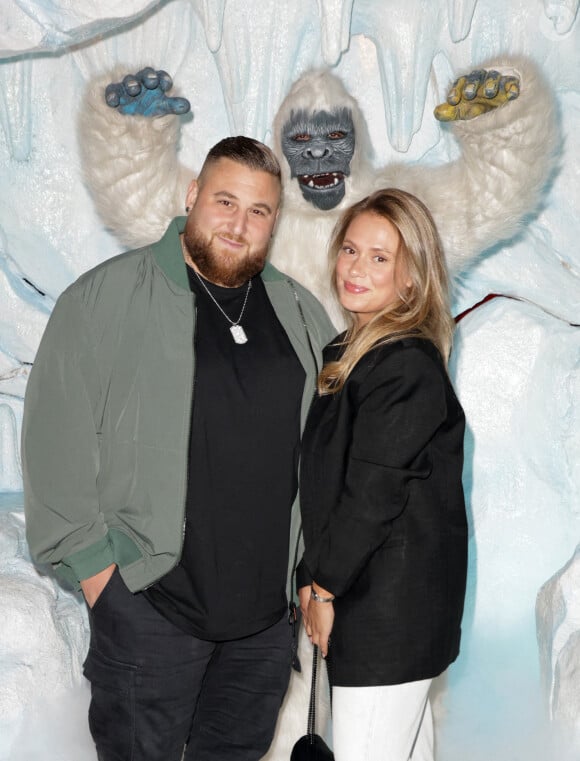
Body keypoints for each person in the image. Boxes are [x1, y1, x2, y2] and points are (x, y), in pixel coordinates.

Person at [22, 136, 335, 761]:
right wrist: (101, 582)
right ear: (192, 197)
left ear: (275, 220)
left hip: (262, 628)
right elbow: (54, 443)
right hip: (150, 610)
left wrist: (311, 578)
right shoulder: (104, 299)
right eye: (225, 201)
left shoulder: (299, 313)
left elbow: (327, 455)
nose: (237, 224)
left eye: (258, 211)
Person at [298, 188, 468, 761]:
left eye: (379, 257)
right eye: (350, 249)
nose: (356, 268)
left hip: (385, 619)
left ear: (412, 278)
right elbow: (331, 486)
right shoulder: (357, 353)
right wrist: (310, 574)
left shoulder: (403, 366)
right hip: (379, 609)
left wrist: (322, 586)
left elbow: (370, 496)